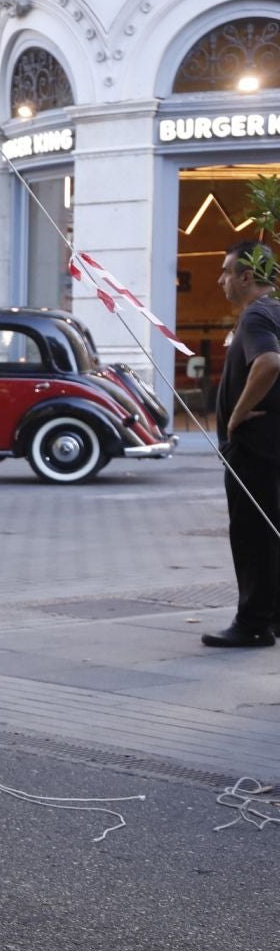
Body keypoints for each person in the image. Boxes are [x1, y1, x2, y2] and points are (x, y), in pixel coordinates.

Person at [202, 239, 280, 649]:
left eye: (226, 271)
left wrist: (234, 417)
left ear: (247, 276)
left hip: (254, 448)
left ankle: (252, 623)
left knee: (251, 536)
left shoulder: (255, 317)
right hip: (271, 446)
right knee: (269, 533)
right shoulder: (276, 312)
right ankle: (270, 616)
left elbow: (268, 362)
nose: (221, 280)